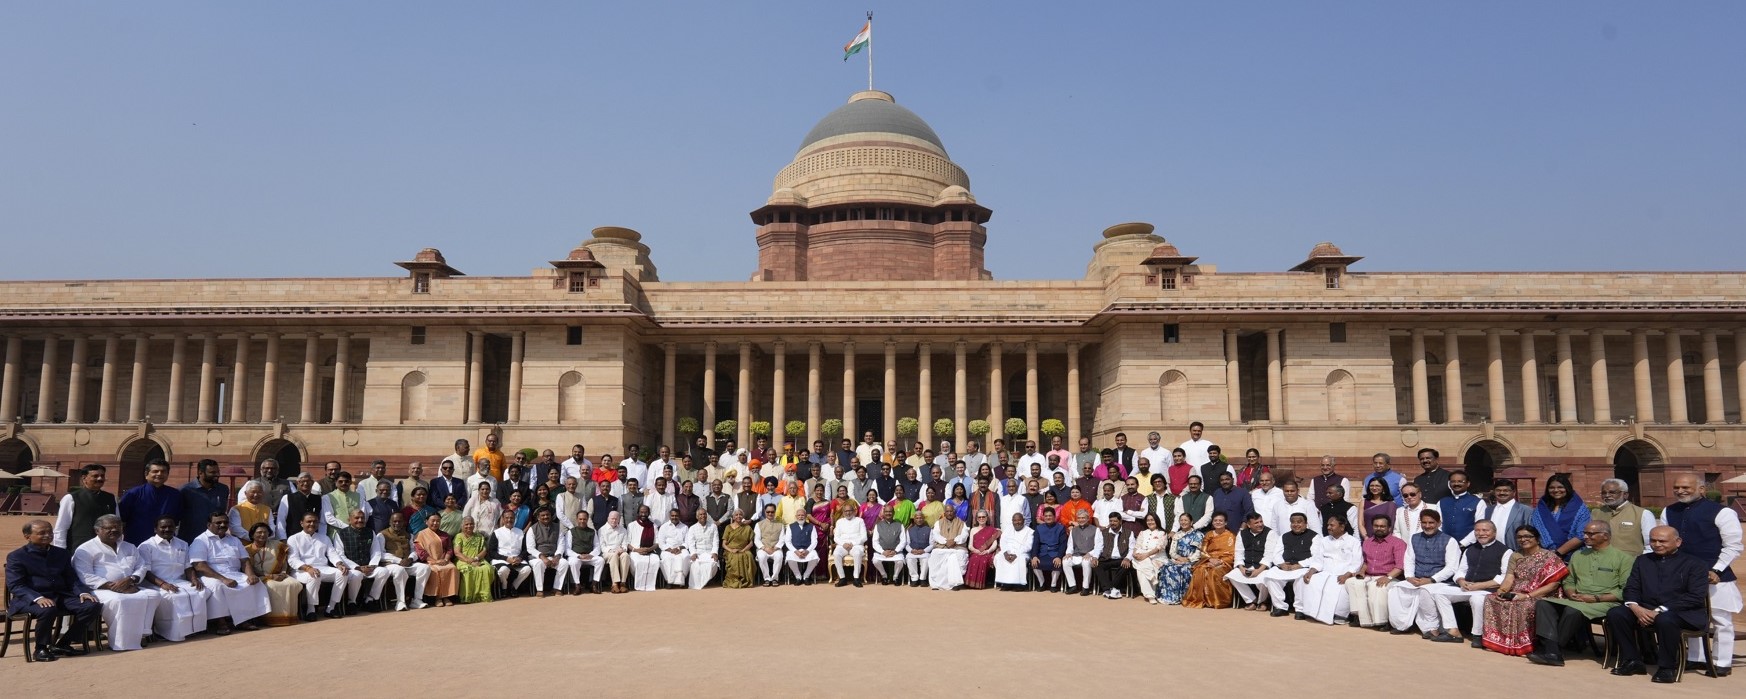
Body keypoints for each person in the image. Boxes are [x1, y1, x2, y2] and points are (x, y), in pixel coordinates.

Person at [1657, 473, 1741, 676]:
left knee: (1720, 619)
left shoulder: (1722, 512)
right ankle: (1696, 658)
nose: (1680, 491)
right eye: (1677, 487)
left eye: (1686, 487)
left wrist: (1717, 569)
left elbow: (1734, 546)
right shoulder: (1668, 511)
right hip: (1681, 575)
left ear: (1702, 489)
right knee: (1691, 615)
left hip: (1715, 575)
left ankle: (1722, 662)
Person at [1606, 525, 1712, 683]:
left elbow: (1694, 597)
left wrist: (1660, 610)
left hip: (1683, 613)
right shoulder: (1643, 560)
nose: (1657, 544)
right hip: (1645, 608)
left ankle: (1666, 667)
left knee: (1665, 619)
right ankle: (1633, 660)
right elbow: (1631, 588)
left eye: (1662, 541)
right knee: (1616, 614)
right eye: (1653, 541)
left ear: (1678, 542)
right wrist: (1635, 607)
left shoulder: (1695, 564)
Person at [1527, 520, 1632, 666]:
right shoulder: (1578, 555)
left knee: (1572, 611)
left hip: (1605, 602)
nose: (1585, 537)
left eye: (1591, 533)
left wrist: (1595, 598)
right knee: (1544, 604)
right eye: (1585, 533)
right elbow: (1569, 581)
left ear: (1605, 536)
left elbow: (1626, 590)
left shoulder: (1623, 558)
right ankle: (1552, 650)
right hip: (1578, 599)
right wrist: (1570, 592)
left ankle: (1553, 651)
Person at [7, 519, 100, 661]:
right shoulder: (17, 556)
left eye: (50, 532)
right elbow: (16, 585)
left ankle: (64, 643)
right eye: (41, 533)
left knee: (91, 606)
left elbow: (71, 578)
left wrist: (83, 592)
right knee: (48, 609)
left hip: (59, 595)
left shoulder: (61, 553)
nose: (47, 535)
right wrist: (38, 598)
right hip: (28, 599)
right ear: (27, 536)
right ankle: (41, 649)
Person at [73, 514, 161, 650]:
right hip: (99, 589)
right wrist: (113, 586)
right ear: (97, 530)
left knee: (153, 595)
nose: (114, 530)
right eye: (109, 528)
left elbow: (141, 566)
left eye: (117, 527)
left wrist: (132, 579)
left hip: (130, 585)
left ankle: (140, 635)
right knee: (119, 600)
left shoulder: (129, 547)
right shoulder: (85, 549)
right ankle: (120, 642)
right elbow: (86, 576)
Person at [1481, 526, 1570, 656]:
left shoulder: (1550, 557)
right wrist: (1502, 590)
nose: (1523, 539)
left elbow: (1553, 585)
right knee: (1491, 599)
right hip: (1517, 591)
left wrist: (1528, 596)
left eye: (1527, 536)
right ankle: (1499, 642)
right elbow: (1510, 577)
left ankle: (1524, 645)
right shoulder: (1516, 555)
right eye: (1520, 537)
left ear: (1537, 539)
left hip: (1542, 594)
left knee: (1522, 605)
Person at [1387, 510, 1463, 642]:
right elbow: (1409, 559)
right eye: (1424, 522)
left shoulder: (1449, 541)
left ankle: (1432, 628)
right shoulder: (1415, 538)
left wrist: (1431, 580)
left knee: (1425, 592)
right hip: (1417, 578)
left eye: (1431, 523)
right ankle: (1402, 625)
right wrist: (1409, 577)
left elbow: (1451, 567)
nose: (1427, 526)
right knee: (1396, 588)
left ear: (1439, 523)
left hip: (1440, 581)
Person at [1434, 520, 1512, 648]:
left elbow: (1504, 576)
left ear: (1494, 532)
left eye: (1485, 530)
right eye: (1477, 530)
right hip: (1467, 587)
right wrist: (1461, 581)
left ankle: (1477, 635)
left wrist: (1480, 586)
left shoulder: (1505, 551)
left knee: (1477, 599)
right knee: (1440, 594)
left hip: (1487, 590)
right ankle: (1453, 631)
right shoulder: (1470, 549)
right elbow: (1461, 571)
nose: (1481, 533)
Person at [188, 512, 270, 630]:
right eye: (218, 522)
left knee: (253, 583)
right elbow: (199, 565)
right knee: (217, 586)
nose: (222, 525)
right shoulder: (200, 540)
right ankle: (220, 622)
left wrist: (251, 575)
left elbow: (245, 560)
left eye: (225, 522)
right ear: (209, 525)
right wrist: (223, 579)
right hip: (211, 576)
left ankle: (244, 619)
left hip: (234, 573)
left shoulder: (234, 540)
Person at [137, 515, 212, 641]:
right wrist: (163, 584)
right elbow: (146, 571)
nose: (167, 529)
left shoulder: (182, 544)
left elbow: (188, 566)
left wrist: (194, 579)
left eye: (170, 526)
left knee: (201, 591)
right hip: (155, 582)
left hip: (179, 581)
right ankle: (166, 632)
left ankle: (193, 629)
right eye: (163, 527)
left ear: (175, 528)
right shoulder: (146, 546)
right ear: (156, 529)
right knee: (173, 596)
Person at [1295, 514, 1363, 625]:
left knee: (1339, 589)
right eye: (1327, 525)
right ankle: (1307, 611)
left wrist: (1347, 575)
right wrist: (1311, 571)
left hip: (1343, 574)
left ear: (1342, 527)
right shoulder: (1324, 541)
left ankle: (1338, 615)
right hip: (1325, 573)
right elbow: (1318, 560)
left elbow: (1357, 562)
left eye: (1332, 525)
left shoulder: (1353, 541)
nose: (1328, 527)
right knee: (1307, 581)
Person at [1346, 514, 1406, 629]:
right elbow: (1365, 562)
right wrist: (1362, 571)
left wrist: (1387, 578)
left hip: (1391, 577)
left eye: (1382, 526)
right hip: (1369, 575)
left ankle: (1382, 621)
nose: (1379, 528)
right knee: (1351, 582)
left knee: (1377, 587)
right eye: (1376, 526)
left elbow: (1400, 566)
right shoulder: (1367, 542)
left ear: (1389, 528)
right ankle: (1360, 617)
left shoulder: (1398, 543)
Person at [286, 512, 346, 620]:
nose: (312, 524)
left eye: (315, 521)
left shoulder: (324, 538)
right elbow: (293, 559)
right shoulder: (293, 538)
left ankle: (330, 608)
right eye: (308, 521)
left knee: (343, 573)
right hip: (301, 570)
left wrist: (339, 564)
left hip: (323, 568)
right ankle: (311, 610)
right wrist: (308, 568)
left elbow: (332, 553)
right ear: (301, 523)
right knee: (314, 575)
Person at [1259, 513, 1319, 616]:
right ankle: (1281, 607)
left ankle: (1300, 609)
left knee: (1301, 579)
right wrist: (1282, 564)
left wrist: (1300, 564)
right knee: (1269, 576)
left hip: (1302, 567)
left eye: (1299, 522)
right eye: (1293, 522)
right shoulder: (1284, 536)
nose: (1296, 524)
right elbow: (1276, 554)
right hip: (1285, 567)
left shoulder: (1314, 536)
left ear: (1306, 524)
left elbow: (1317, 556)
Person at [245, 522, 305, 624]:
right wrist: (270, 576)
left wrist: (283, 573)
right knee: (273, 586)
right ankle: (270, 619)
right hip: (261, 576)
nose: (262, 535)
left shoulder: (277, 545)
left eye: (265, 532)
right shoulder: (247, 549)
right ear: (252, 534)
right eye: (259, 532)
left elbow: (285, 562)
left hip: (280, 575)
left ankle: (290, 617)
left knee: (293, 584)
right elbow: (250, 568)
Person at [370, 512, 428, 610]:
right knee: (399, 570)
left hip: (407, 563)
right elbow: (381, 554)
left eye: (399, 521)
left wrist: (410, 559)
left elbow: (414, 551)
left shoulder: (409, 535)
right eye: (394, 521)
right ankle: (400, 602)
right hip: (390, 565)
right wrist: (398, 560)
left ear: (404, 523)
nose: (397, 523)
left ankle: (417, 600)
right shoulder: (382, 535)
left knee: (424, 568)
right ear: (390, 522)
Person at [327, 509, 382, 613]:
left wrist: (372, 566)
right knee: (357, 574)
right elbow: (340, 555)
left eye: (362, 518)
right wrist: (357, 567)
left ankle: (370, 600)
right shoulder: (341, 534)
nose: (360, 520)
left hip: (369, 567)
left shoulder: (370, 532)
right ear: (349, 520)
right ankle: (352, 602)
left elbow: (376, 551)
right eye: (356, 518)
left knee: (384, 572)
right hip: (353, 568)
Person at [118, 460, 182, 545]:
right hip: (137, 541)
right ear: (146, 474)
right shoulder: (133, 494)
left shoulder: (175, 494)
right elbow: (121, 518)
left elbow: (177, 519)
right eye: (155, 471)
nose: (159, 474)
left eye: (163, 471)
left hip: (165, 543)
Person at [54, 464, 117, 550]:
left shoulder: (111, 498)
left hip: (106, 547)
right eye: (95, 476)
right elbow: (61, 527)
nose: (100, 478)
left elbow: (117, 523)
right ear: (84, 478)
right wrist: (60, 550)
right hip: (79, 547)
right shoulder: (71, 498)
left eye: (102, 476)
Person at [1225, 513, 1280, 610]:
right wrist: (1241, 568)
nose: (1260, 524)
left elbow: (1269, 555)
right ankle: (1251, 600)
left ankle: (1263, 601)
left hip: (1263, 567)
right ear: (1249, 525)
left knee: (1264, 578)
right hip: (1247, 566)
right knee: (1232, 575)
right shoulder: (1242, 534)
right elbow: (1239, 553)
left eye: (1261, 521)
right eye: (1256, 523)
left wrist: (1258, 571)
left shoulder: (1270, 533)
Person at [1184, 512, 1235, 608]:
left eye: (1220, 520)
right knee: (1199, 571)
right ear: (1212, 522)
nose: (1218, 522)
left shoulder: (1230, 536)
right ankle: (1201, 599)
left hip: (1224, 562)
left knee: (1214, 572)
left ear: (1225, 523)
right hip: (1208, 560)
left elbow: (1232, 554)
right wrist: (1210, 559)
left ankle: (1216, 601)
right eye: (1215, 520)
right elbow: (1202, 551)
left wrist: (1220, 561)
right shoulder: (1209, 534)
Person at [1593, 478, 1655, 557]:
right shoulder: (1595, 513)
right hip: (1600, 561)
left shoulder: (1643, 514)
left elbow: (1650, 544)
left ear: (1625, 495)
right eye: (1604, 493)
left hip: (1631, 564)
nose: (1607, 495)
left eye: (1612, 492)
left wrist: (1640, 562)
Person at [1533, 473, 1590, 558]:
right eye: (1551, 487)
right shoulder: (1541, 508)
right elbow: (1534, 532)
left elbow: (1581, 535)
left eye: (1560, 487)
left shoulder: (1580, 509)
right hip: (1544, 556)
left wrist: (1558, 553)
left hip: (1573, 556)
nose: (1556, 490)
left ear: (1567, 488)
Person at [412, 514, 459, 606]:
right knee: (435, 570)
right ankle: (438, 598)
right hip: (429, 561)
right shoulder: (421, 534)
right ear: (426, 522)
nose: (435, 523)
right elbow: (420, 551)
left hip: (443, 560)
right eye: (433, 520)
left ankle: (446, 596)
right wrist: (435, 561)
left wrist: (446, 559)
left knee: (452, 568)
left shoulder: (445, 535)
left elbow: (449, 549)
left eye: (438, 521)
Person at [1157, 513, 1202, 605]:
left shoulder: (1198, 535)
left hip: (1192, 561)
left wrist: (1188, 559)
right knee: (1166, 567)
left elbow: (1199, 551)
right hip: (1178, 559)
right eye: (1181, 520)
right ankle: (1169, 596)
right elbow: (1172, 552)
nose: (1183, 522)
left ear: (1191, 522)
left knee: (1183, 569)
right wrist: (1179, 558)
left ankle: (1183, 596)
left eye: (1185, 520)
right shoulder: (1177, 535)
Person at [1473, 480, 1532, 550]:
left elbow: (1530, 533)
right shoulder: (1488, 510)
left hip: (1516, 552)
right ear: (1494, 492)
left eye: (1506, 490)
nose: (1502, 493)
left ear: (1514, 493)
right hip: (1491, 551)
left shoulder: (1525, 510)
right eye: (1498, 490)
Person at [486, 509, 531, 597]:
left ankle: (514, 586)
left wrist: (519, 558)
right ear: (502, 519)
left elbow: (525, 549)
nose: (509, 520)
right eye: (507, 518)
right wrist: (506, 559)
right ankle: (504, 587)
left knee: (527, 569)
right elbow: (492, 551)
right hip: (501, 559)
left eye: (511, 518)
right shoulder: (497, 533)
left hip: (517, 559)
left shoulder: (520, 532)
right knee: (503, 570)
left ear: (515, 519)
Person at [1091, 509, 1133, 599]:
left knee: (1127, 565)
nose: (1112, 523)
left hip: (1121, 559)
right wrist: (1094, 557)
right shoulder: (1104, 533)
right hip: (1107, 558)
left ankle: (1110, 589)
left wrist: (1127, 558)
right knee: (1095, 565)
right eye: (1111, 521)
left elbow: (1132, 549)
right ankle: (1111, 589)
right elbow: (1099, 547)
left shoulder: (1129, 532)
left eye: (1115, 521)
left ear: (1120, 521)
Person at [452, 517, 494, 604]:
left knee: (487, 569)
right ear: (462, 525)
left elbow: (484, 550)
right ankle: (467, 597)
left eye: (471, 524)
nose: (469, 526)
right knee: (468, 570)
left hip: (478, 559)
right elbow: (457, 553)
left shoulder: (479, 537)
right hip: (463, 560)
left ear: (474, 525)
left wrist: (476, 559)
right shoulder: (459, 536)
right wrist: (469, 561)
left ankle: (483, 596)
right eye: (466, 524)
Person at [523, 507, 564, 597]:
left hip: (553, 555)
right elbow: (530, 548)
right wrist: (542, 557)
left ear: (551, 516)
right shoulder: (532, 529)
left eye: (547, 515)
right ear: (538, 517)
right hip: (537, 557)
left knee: (564, 563)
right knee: (538, 564)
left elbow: (561, 544)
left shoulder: (558, 527)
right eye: (543, 515)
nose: (545, 517)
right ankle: (540, 590)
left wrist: (557, 557)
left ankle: (557, 588)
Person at [1130, 514, 1171, 604]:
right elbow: (1137, 546)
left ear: (1156, 520)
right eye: (1148, 520)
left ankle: (1149, 594)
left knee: (1140, 569)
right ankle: (1151, 581)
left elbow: (1159, 548)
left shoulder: (1162, 533)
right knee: (1139, 561)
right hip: (1142, 556)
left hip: (1158, 557)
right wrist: (1134, 553)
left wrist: (1146, 555)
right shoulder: (1143, 533)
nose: (1150, 522)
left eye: (1152, 520)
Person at [557, 510, 601, 594]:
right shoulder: (571, 532)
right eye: (580, 519)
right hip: (576, 556)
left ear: (587, 519)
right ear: (577, 519)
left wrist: (590, 555)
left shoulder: (592, 531)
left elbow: (597, 547)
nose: (582, 521)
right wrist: (578, 556)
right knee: (573, 562)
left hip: (589, 556)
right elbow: (567, 549)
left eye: (584, 519)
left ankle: (594, 584)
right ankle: (577, 585)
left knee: (600, 560)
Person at [927, 506, 969, 590]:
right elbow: (936, 534)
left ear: (954, 512)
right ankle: (936, 584)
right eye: (947, 511)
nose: (949, 513)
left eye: (951, 511)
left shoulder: (961, 523)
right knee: (935, 554)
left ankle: (955, 583)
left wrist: (955, 541)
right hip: (943, 546)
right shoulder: (938, 522)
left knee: (959, 555)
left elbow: (964, 535)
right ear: (944, 513)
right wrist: (945, 541)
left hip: (957, 546)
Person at [276, 472, 329, 540]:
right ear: (297, 483)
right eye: (302, 481)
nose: (305, 483)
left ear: (312, 483)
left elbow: (322, 521)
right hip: (293, 538)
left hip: (314, 538)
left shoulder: (319, 499)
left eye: (308, 481)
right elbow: (281, 521)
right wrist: (283, 538)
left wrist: (322, 537)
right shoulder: (287, 498)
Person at [1061, 509, 1102, 595]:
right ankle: (1072, 586)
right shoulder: (1073, 530)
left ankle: (1085, 587)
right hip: (1076, 555)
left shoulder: (1096, 530)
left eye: (1083, 518)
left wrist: (1090, 553)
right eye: (1079, 518)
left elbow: (1099, 546)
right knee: (1065, 561)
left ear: (1088, 518)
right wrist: (1068, 553)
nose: (1081, 520)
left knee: (1086, 562)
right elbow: (1070, 545)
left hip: (1089, 555)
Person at [1029, 507, 1067, 592]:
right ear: (1043, 517)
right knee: (1035, 563)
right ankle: (1042, 583)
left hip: (1055, 552)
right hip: (1043, 553)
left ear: (1054, 516)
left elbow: (1063, 544)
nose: (1048, 517)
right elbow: (1035, 543)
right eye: (1046, 516)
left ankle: (1053, 585)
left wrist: (1059, 556)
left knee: (1056, 563)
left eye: (1050, 515)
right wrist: (1034, 556)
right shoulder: (1039, 528)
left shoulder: (1061, 528)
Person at [833, 504, 869, 587]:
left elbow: (864, 537)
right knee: (836, 553)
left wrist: (853, 543)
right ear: (843, 512)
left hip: (856, 545)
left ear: (854, 511)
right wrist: (843, 544)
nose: (848, 513)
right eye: (846, 511)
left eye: (850, 511)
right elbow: (836, 537)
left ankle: (856, 578)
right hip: (843, 545)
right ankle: (842, 578)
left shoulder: (859, 521)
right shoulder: (839, 522)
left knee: (857, 553)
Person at [626, 507, 662, 591]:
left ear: (648, 513)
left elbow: (657, 542)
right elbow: (627, 543)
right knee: (638, 562)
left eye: (645, 512)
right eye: (641, 512)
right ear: (638, 513)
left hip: (650, 551)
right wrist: (637, 550)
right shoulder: (631, 525)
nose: (643, 514)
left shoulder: (653, 526)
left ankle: (650, 584)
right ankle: (640, 584)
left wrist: (649, 549)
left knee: (655, 561)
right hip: (635, 551)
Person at [595, 510, 630, 593]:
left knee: (626, 556)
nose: (614, 521)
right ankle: (614, 583)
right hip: (607, 553)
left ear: (619, 519)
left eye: (616, 519)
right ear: (608, 519)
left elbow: (625, 543)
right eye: (612, 518)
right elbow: (602, 546)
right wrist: (613, 551)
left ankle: (623, 583)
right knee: (614, 556)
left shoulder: (623, 530)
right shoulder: (602, 530)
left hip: (620, 551)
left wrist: (623, 549)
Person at [653, 508, 689, 588]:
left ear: (679, 516)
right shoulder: (664, 527)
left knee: (685, 556)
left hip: (681, 549)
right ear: (669, 516)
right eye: (672, 516)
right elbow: (661, 543)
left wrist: (679, 548)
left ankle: (681, 581)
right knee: (668, 559)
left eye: (676, 516)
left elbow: (687, 542)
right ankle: (669, 581)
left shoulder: (685, 527)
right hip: (667, 550)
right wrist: (670, 550)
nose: (674, 517)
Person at [964, 510, 1000, 590]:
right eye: (979, 517)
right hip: (975, 551)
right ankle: (970, 583)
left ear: (987, 518)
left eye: (983, 517)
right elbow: (970, 545)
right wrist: (975, 550)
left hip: (987, 553)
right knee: (974, 559)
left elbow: (994, 544)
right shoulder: (973, 530)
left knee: (983, 560)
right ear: (976, 519)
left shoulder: (992, 530)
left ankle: (979, 584)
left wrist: (987, 551)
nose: (981, 519)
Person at [720, 510, 756, 589]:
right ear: (733, 517)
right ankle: (735, 580)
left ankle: (746, 580)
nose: (738, 516)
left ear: (743, 517)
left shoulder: (747, 527)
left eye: (740, 515)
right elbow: (723, 544)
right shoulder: (728, 527)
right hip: (730, 550)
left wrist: (743, 550)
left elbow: (751, 543)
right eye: (736, 515)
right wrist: (731, 550)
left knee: (749, 555)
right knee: (735, 557)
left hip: (744, 549)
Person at [869, 506, 905, 585]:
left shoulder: (899, 525)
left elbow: (903, 541)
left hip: (895, 552)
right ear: (883, 513)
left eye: (890, 512)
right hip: (882, 552)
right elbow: (875, 542)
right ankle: (884, 576)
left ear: (894, 513)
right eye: (886, 512)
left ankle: (895, 577)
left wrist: (895, 551)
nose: (888, 513)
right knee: (875, 561)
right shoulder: (878, 525)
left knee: (900, 561)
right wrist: (883, 552)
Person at [685, 508, 720, 589]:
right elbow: (691, 543)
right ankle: (698, 583)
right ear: (697, 517)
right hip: (698, 553)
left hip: (709, 552)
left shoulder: (713, 526)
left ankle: (706, 581)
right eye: (700, 514)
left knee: (713, 563)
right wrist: (693, 553)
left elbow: (716, 541)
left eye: (704, 514)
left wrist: (715, 552)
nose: (703, 516)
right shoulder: (692, 528)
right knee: (695, 564)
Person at [784, 511, 821, 584]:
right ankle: (798, 577)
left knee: (814, 555)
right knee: (789, 555)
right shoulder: (790, 526)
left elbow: (814, 542)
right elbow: (788, 542)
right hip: (795, 550)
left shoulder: (811, 526)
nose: (800, 517)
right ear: (796, 516)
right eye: (799, 515)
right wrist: (796, 551)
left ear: (805, 516)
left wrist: (807, 551)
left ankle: (806, 576)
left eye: (802, 515)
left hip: (807, 550)